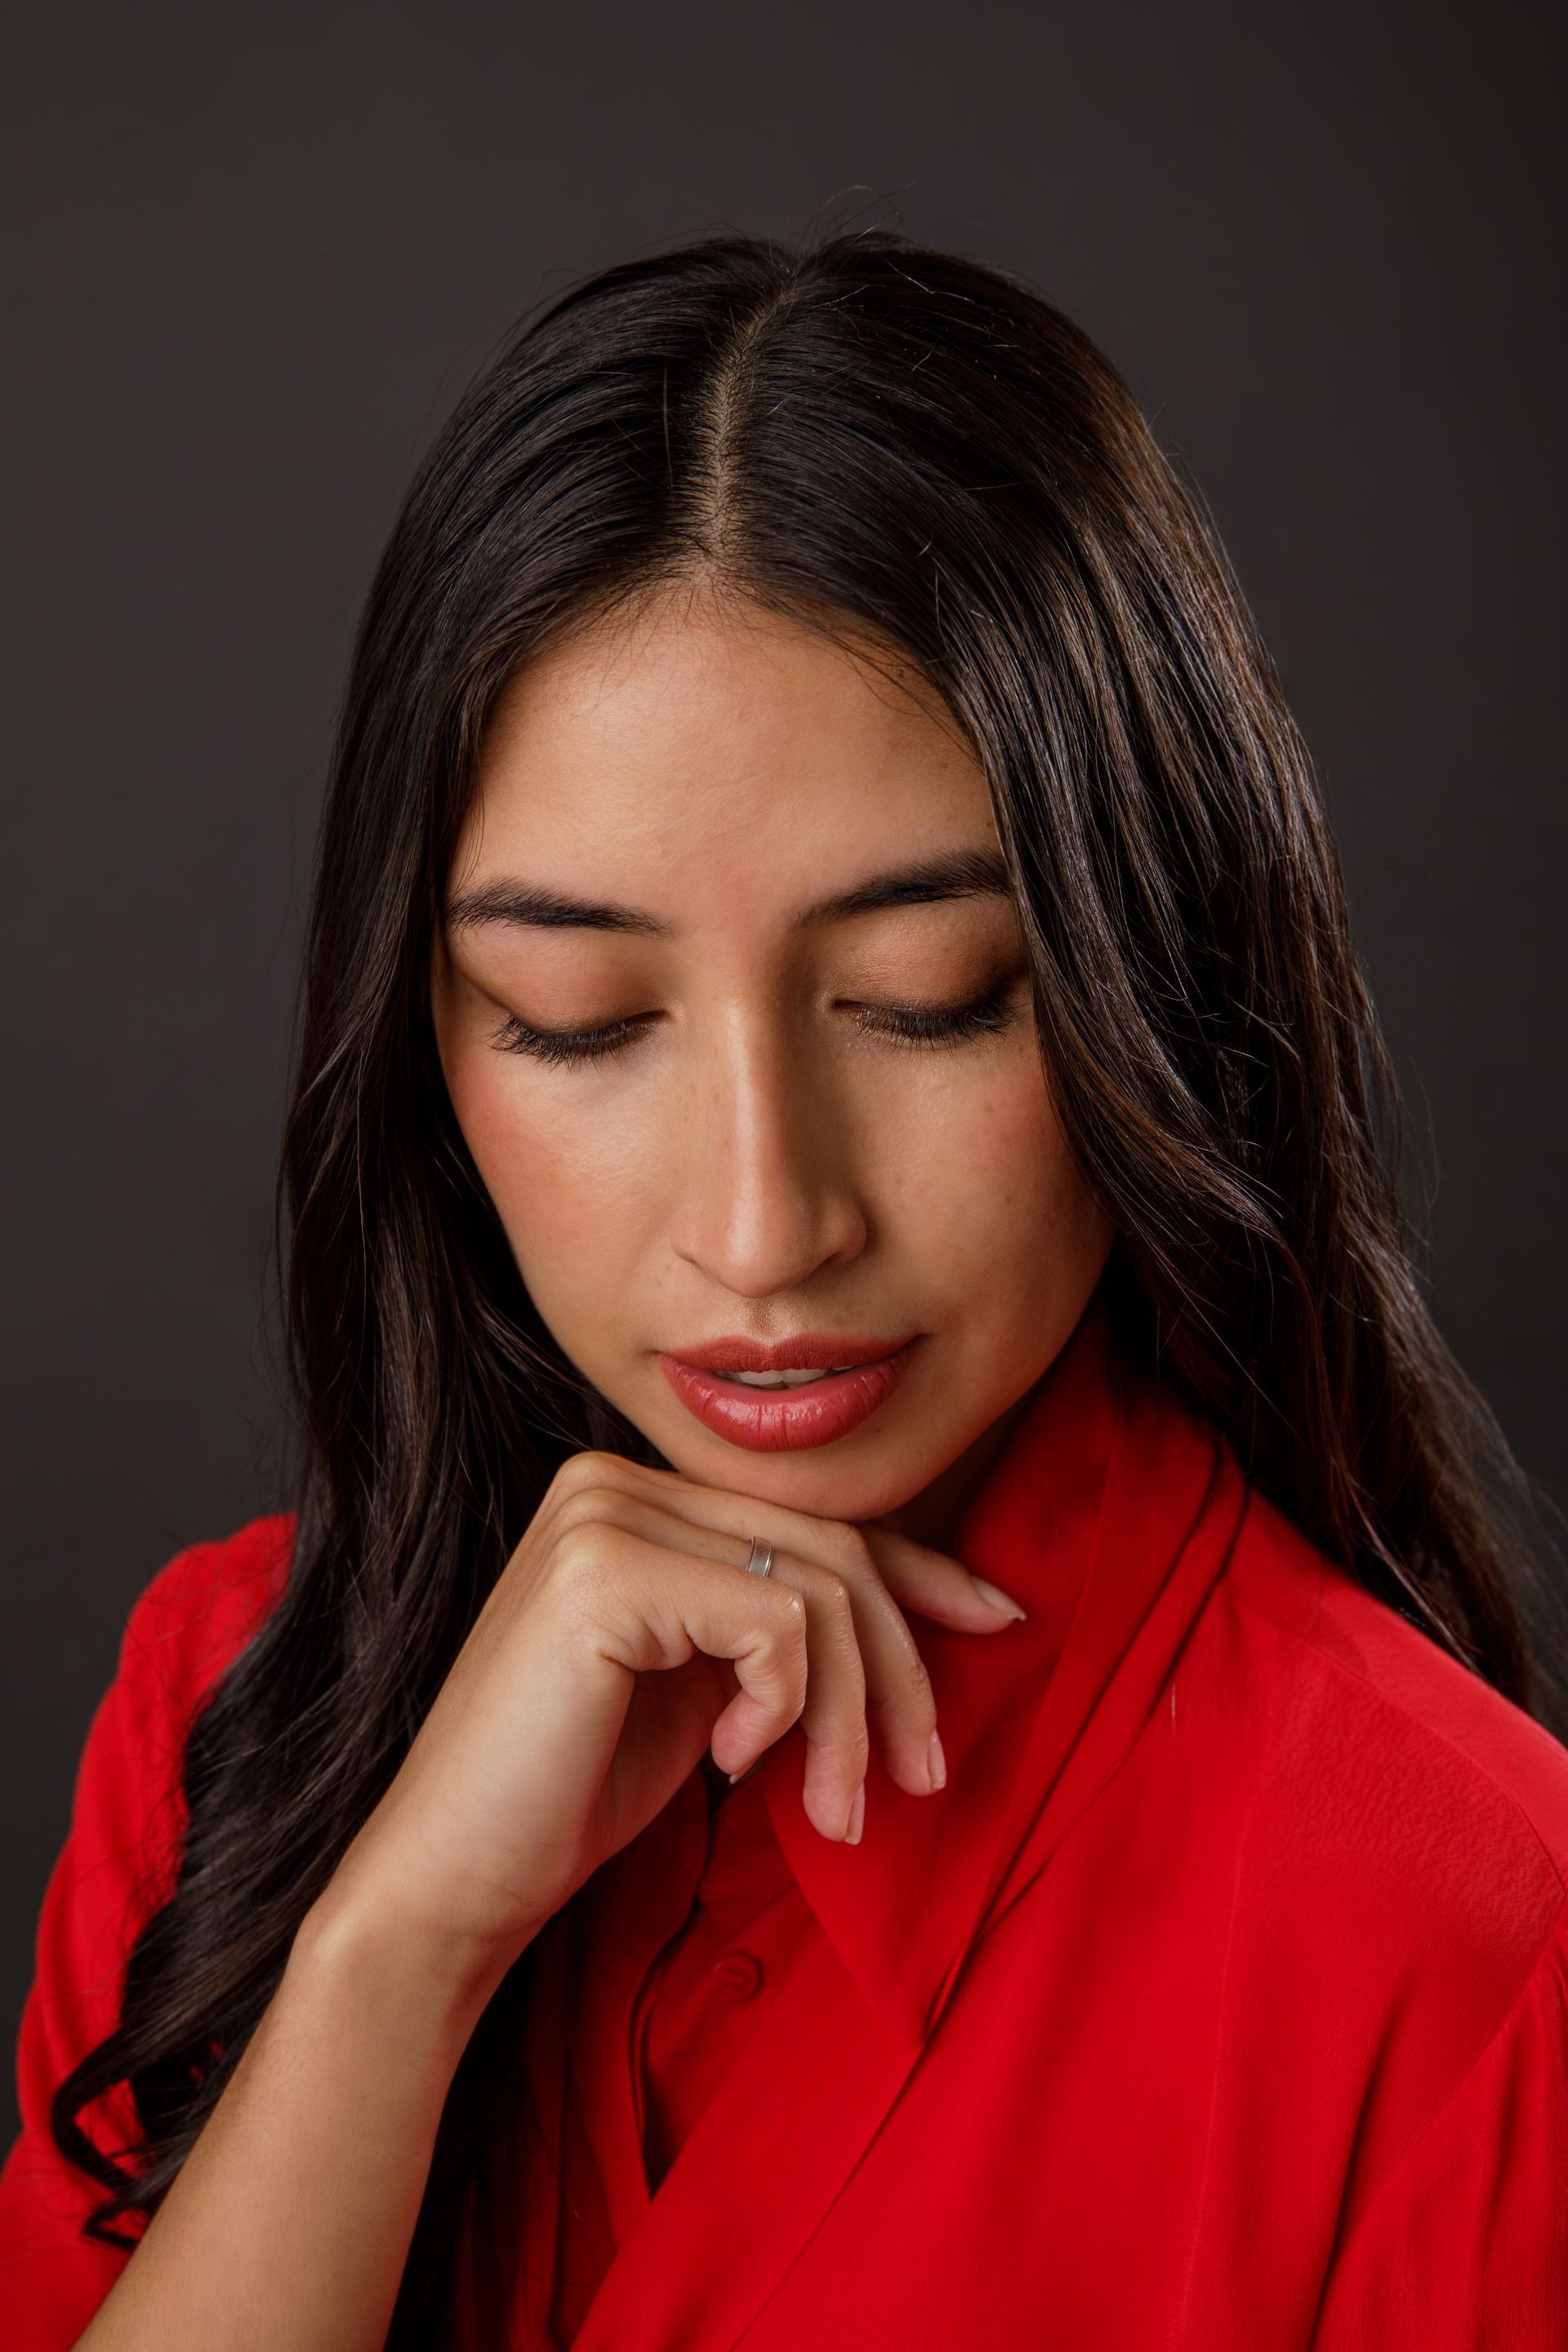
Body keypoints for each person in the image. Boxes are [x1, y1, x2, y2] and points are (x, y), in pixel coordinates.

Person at [2, 229, 1565, 2350]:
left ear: (1153, 987)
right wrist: (390, 1954)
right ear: (425, 1048)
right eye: (575, 1016)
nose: (766, 1228)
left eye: (927, 1002)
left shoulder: (1484, 1957)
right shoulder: (228, 1722)